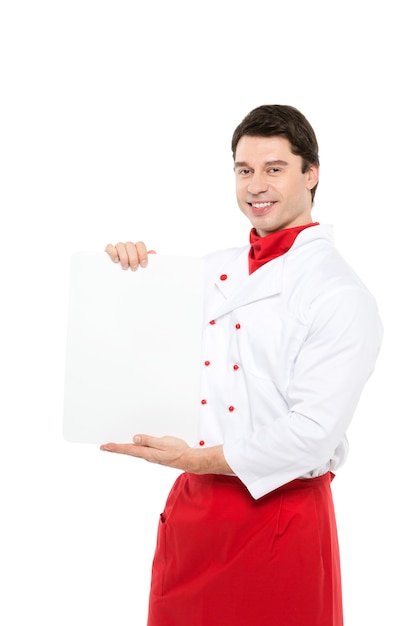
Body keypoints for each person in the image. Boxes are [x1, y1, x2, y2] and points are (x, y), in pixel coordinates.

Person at [100, 104, 383, 626]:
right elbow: (137, 335)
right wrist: (126, 269)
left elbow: (312, 435)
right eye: (244, 170)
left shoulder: (340, 294)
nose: (257, 185)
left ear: (311, 173)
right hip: (194, 514)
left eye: (275, 168)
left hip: (281, 519)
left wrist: (195, 460)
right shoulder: (212, 270)